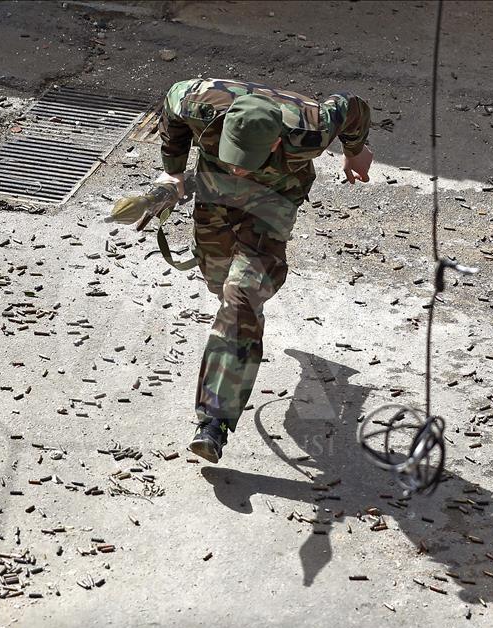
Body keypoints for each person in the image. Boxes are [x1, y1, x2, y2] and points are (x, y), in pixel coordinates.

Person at [155, 78, 373, 463]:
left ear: (275, 144)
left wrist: (355, 151)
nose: (239, 168)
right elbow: (172, 106)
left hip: (274, 202)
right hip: (215, 196)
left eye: (247, 159)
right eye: (233, 154)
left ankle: (214, 422)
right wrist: (173, 170)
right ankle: (242, 307)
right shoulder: (199, 103)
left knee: (240, 299)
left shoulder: (312, 127)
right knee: (219, 282)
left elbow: (352, 106)